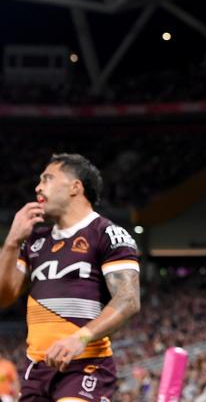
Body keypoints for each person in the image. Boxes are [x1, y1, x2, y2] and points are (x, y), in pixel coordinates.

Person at [0, 153, 141, 401]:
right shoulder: (34, 241)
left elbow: (129, 300)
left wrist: (80, 338)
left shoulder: (107, 233)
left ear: (75, 187)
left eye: (48, 178)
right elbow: (3, 297)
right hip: (37, 368)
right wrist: (12, 241)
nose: (38, 187)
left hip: (85, 364)